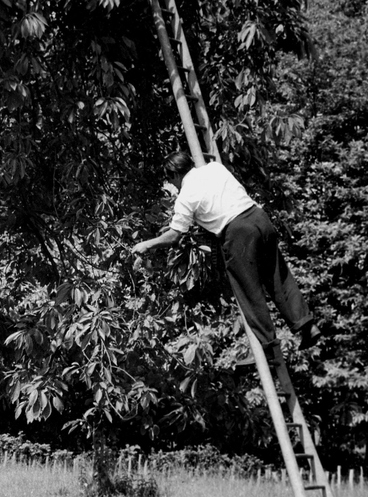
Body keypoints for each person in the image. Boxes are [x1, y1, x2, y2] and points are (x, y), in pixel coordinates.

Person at [132, 151, 321, 360]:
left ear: (175, 175)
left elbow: (175, 235)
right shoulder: (215, 168)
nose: (173, 186)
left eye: (170, 180)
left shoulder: (186, 196)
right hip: (259, 218)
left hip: (238, 232)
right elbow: (212, 169)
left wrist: (147, 245)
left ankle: (269, 349)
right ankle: (307, 326)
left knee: (248, 290)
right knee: (279, 277)